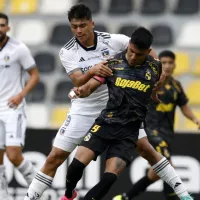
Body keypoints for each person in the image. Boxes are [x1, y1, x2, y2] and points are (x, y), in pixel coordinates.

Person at [24, 4, 158, 200]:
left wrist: (153, 79)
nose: (78, 30)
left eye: (83, 25)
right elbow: (78, 81)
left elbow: (148, 54)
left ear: (92, 24)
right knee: (54, 158)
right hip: (84, 109)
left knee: (147, 150)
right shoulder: (67, 51)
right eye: (74, 26)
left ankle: (180, 192)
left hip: (117, 108)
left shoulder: (114, 41)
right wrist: (93, 70)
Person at [60, 28, 193, 200]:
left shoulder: (155, 67)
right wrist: (79, 91)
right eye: (130, 51)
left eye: (138, 54)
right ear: (128, 45)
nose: (132, 57)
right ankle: (69, 194)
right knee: (75, 167)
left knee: (108, 178)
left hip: (129, 132)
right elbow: (89, 88)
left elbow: (156, 83)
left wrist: (153, 95)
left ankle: (184, 196)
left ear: (148, 51)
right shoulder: (111, 63)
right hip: (105, 124)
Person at [113, 50, 200, 200]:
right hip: (150, 132)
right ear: (159, 64)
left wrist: (196, 120)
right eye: (163, 62)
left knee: (154, 174)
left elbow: (184, 106)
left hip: (166, 135)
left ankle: (124, 197)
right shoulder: (149, 82)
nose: (167, 66)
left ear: (174, 64)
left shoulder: (176, 86)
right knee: (168, 167)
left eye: (170, 63)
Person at [0, 13, 40, 200]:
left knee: (14, 155)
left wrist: (20, 95)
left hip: (12, 108)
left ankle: (39, 188)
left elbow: (34, 75)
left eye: (2, 25)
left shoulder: (18, 49)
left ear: (8, 28)